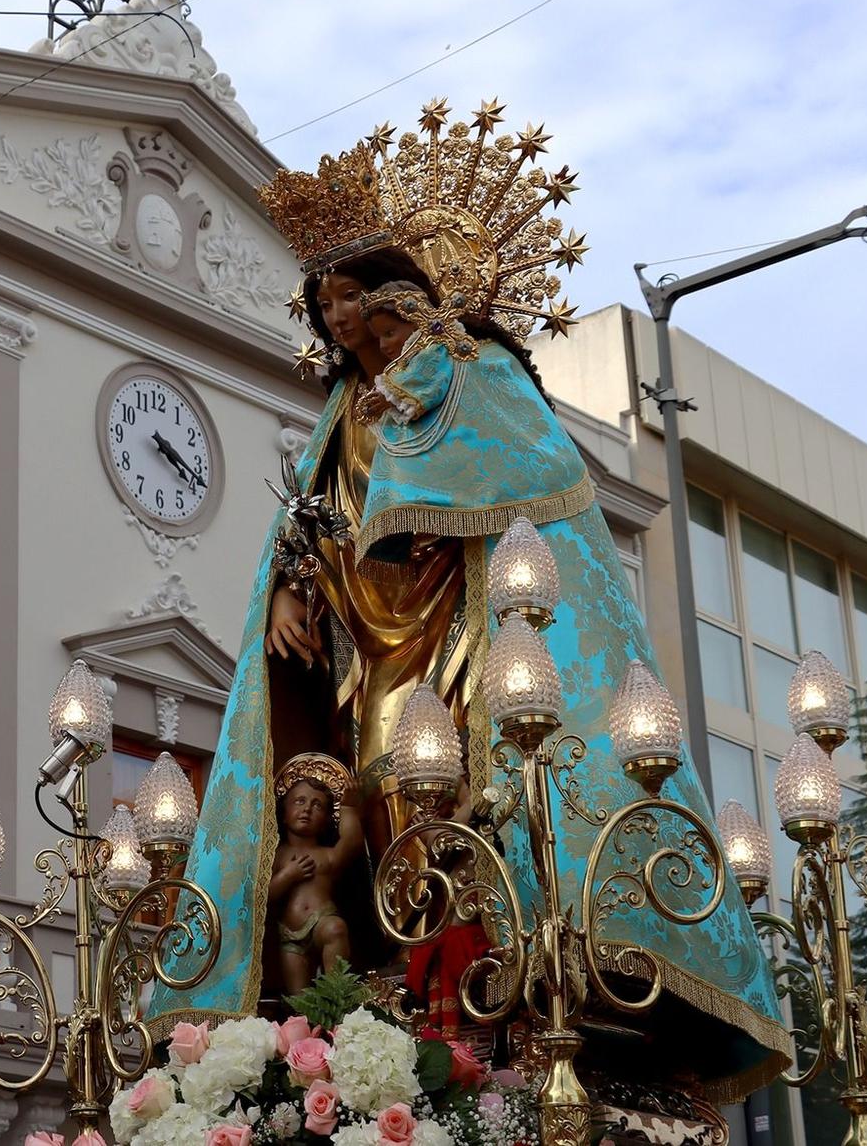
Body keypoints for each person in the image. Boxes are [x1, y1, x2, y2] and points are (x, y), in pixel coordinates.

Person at [150, 99, 791, 1108]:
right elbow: (309, 518)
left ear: (398, 299)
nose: (338, 323)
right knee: (365, 785)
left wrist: (412, 436)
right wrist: (287, 586)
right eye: (324, 310)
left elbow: (519, 467)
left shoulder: (468, 366)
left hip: (457, 624)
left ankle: (483, 974)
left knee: (454, 796)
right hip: (365, 635)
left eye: (351, 301)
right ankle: (380, 982)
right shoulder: (335, 416)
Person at [268, 753, 363, 994]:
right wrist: (287, 875)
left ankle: (336, 999)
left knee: (335, 929)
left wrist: (349, 808)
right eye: (299, 801)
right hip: (289, 935)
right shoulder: (276, 855)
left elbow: (351, 842)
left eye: (317, 805)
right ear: (284, 812)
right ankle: (304, 1027)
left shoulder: (326, 855)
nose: (307, 809)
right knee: (297, 1000)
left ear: (326, 820)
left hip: (322, 919)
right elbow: (262, 897)